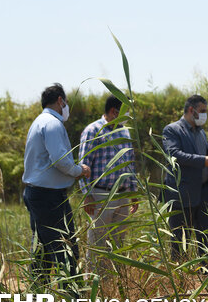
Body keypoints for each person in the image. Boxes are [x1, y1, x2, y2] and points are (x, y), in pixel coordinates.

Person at [22, 83, 91, 285]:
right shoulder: (52, 123)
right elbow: (60, 160)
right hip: (48, 197)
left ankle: (39, 299)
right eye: (66, 102)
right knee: (66, 249)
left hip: (39, 194)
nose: (66, 107)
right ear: (60, 101)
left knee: (43, 251)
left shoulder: (39, 122)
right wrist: (80, 171)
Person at [79, 95, 139, 275]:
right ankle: (96, 287)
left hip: (122, 195)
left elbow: (130, 163)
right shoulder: (93, 130)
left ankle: (115, 283)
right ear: (114, 111)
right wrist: (86, 195)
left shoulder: (124, 131)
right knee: (98, 243)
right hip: (101, 195)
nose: (128, 115)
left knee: (118, 244)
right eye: (126, 111)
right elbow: (83, 164)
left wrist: (133, 192)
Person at [162, 95, 208, 264]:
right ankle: (182, 281)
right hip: (182, 195)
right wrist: (203, 161)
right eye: (202, 111)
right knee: (181, 241)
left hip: (204, 193)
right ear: (191, 110)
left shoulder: (201, 132)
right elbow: (174, 154)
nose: (204, 115)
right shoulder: (172, 130)